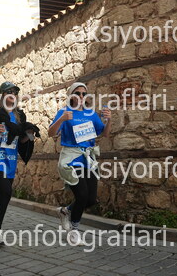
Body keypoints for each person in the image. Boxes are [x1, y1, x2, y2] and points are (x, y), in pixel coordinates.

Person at [48, 82, 111, 245]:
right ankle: (74, 230)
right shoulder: (65, 112)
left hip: (88, 159)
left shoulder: (91, 114)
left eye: (84, 93)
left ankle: (65, 211)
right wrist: (62, 119)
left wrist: (108, 120)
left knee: (90, 200)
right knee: (82, 195)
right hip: (72, 158)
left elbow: (104, 134)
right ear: (71, 96)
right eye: (77, 93)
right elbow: (51, 133)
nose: (81, 96)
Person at [0, 81, 40, 244]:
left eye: (15, 92)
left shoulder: (20, 116)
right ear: (2, 95)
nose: (13, 94)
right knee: (6, 191)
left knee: (2, 195)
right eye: (9, 91)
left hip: (10, 160)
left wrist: (29, 135)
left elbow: (22, 141)